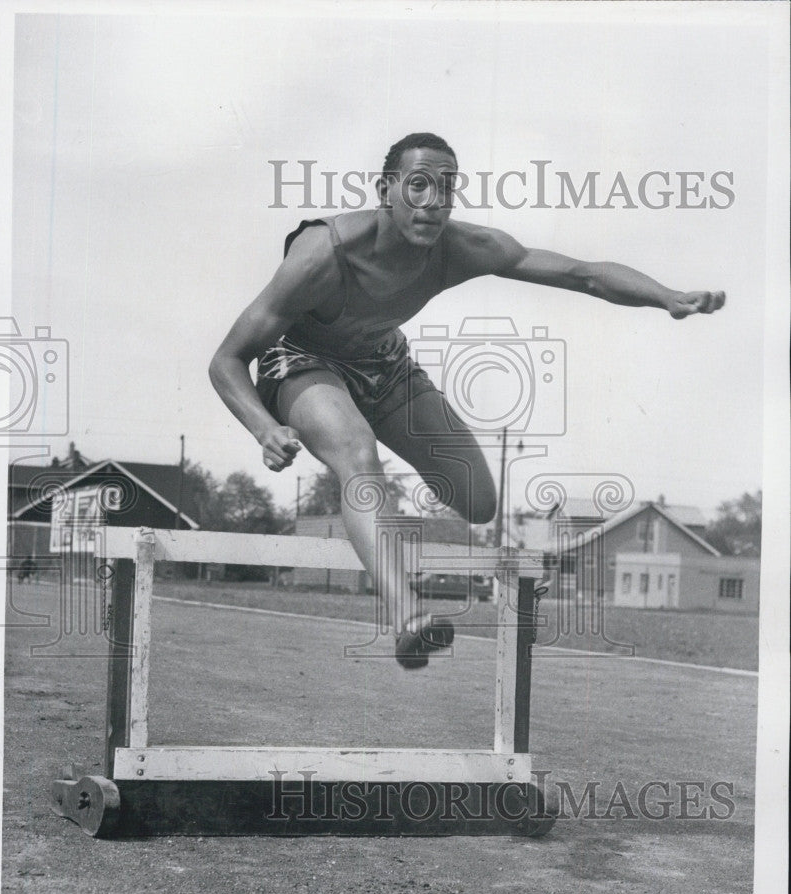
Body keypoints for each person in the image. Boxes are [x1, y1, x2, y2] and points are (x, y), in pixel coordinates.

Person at [209, 132, 725, 668]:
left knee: (478, 499)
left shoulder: (462, 248)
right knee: (357, 455)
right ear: (385, 190)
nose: (433, 203)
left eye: (447, 188)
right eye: (418, 186)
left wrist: (667, 297)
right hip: (299, 360)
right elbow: (226, 359)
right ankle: (408, 619)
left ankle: (373, 525)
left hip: (384, 364)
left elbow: (584, 275)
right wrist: (262, 428)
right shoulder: (323, 253)